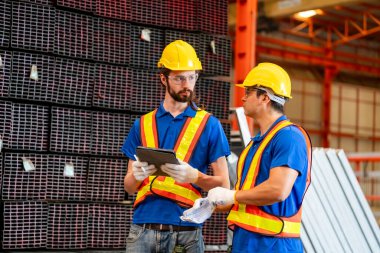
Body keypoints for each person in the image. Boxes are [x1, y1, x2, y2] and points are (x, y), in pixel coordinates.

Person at [121, 40, 230, 253]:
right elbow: (129, 187)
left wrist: (196, 177)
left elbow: (224, 185)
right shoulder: (142, 124)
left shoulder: (210, 125)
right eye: (179, 78)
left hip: (186, 231)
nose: (187, 84)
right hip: (143, 229)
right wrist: (137, 174)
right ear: (164, 78)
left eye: (192, 77)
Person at [205, 63, 312, 253]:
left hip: (274, 245)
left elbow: (278, 190)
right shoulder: (256, 144)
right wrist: (211, 203)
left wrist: (232, 195)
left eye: (248, 91)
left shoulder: (289, 137)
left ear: (264, 97)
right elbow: (247, 197)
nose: (243, 97)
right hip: (248, 241)